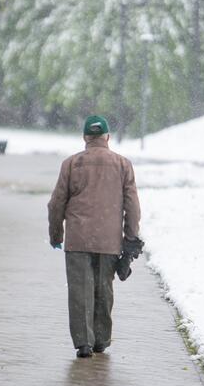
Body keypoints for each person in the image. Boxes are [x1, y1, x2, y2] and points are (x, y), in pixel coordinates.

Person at [47, 115, 141, 359]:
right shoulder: (123, 165)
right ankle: (101, 340)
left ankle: (83, 343)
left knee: (80, 292)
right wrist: (130, 239)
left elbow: (56, 203)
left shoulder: (71, 164)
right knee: (103, 289)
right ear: (107, 137)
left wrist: (56, 233)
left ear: (85, 138)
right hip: (109, 241)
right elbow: (132, 207)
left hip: (78, 239)